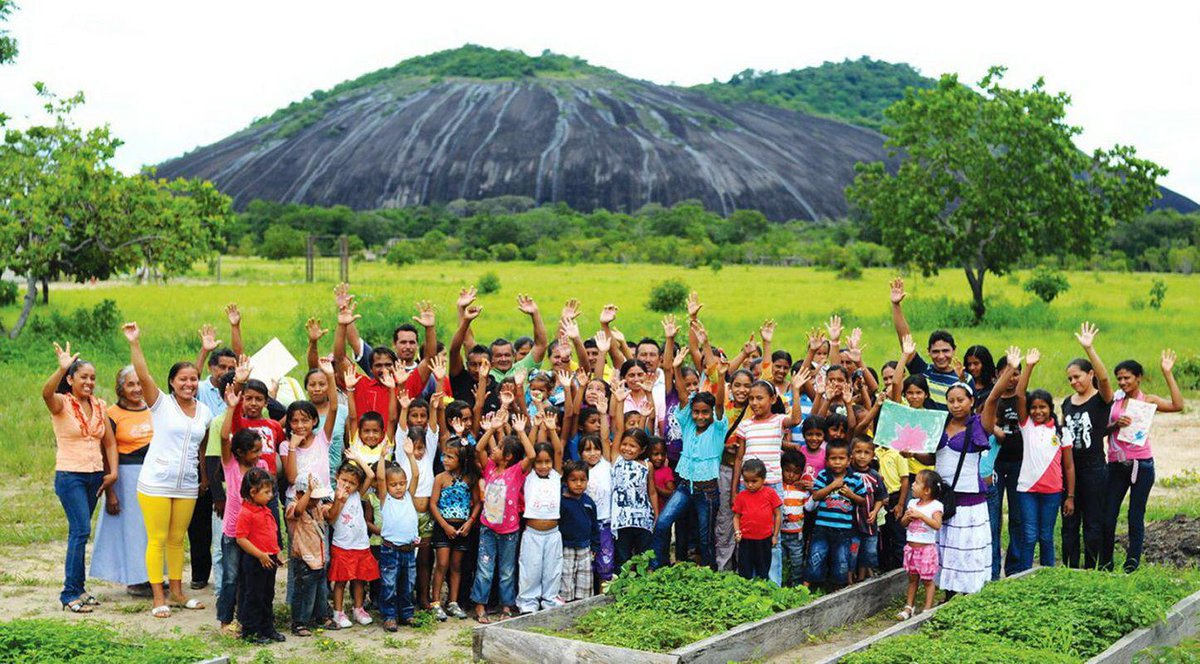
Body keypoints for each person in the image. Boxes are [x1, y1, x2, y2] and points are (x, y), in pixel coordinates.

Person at [124, 322, 213, 618]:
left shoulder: (205, 411)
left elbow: (201, 447)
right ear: (172, 382)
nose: (188, 384)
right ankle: (158, 597)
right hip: (156, 482)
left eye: (193, 380)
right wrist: (135, 343)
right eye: (182, 380)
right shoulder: (160, 404)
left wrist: (202, 476)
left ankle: (177, 592)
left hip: (186, 484)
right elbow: (144, 374)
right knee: (158, 539)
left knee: (177, 540)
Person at [910, 357, 1009, 597]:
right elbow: (933, 459)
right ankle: (949, 592)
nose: (955, 405)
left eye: (960, 400)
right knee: (946, 549)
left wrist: (1012, 370)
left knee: (966, 549)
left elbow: (994, 398)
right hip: (943, 499)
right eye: (951, 401)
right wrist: (912, 452)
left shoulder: (979, 425)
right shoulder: (940, 425)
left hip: (969, 500)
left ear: (971, 401)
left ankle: (969, 593)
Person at [43, 342, 118, 613]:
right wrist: (60, 368)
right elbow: (46, 393)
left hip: (94, 476)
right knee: (80, 530)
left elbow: (109, 442)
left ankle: (80, 587)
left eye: (92, 378)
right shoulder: (62, 403)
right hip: (70, 474)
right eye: (83, 377)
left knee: (82, 532)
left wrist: (113, 472)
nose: (89, 382)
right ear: (71, 379)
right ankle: (69, 593)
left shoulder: (99, 405)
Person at [1101, 349, 1184, 572]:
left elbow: (1178, 405)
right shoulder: (1114, 400)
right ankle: (1106, 564)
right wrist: (1115, 425)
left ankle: (1131, 565)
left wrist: (1167, 373)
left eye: (1127, 378)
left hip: (1141, 465)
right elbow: (1102, 430)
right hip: (1116, 465)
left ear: (1139, 378)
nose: (1122, 382)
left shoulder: (1148, 400)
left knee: (1135, 517)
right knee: (1108, 516)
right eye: (1119, 378)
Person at [732, 369, 810, 586]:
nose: (754, 403)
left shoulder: (777, 421)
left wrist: (795, 388)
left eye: (760, 398)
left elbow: (795, 419)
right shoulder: (745, 425)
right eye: (751, 399)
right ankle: (750, 582)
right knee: (748, 536)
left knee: (772, 539)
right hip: (746, 488)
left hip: (772, 486)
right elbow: (739, 459)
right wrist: (734, 490)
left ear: (773, 399)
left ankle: (772, 585)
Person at [90, 365, 153, 598]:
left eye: (139, 383)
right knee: (133, 530)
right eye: (130, 384)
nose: (136, 389)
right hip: (126, 476)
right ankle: (135, 580)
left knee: (151, 529)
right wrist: (111, 493)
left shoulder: (153, 408)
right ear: (121, 388)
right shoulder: (112, 414)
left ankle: (152, 576)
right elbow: (107, 452)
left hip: (152, 475)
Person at [1010, 348, 1075, 573]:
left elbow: (1069, 466)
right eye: (1034, 407)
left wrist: (1070, 496)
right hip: (1027, 490)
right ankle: (1024, 577)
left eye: (1042, 407)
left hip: (1053, 492)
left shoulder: (1061, 432)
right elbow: (1019, 395)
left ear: (1050, 408)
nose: (1038, 411)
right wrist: (1028, 366)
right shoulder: (1026, 426)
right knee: (1029, 536)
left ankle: (1048, 577)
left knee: (1046, 536)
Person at [472, 411, 535, 622]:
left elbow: (532, 456)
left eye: (499, 448)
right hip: (487, 528)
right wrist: (491, 428)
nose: (494, 449)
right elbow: (479, 447)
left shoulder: (517, 471)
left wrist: (520, 432)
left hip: (509, 531)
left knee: (507, 570)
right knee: (484, 567)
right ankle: (480, 606)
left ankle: (506, 606)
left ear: (508, 457)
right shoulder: (490, 468)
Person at [1061, 323, 1114, 569]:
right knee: (1070, 521)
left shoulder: (1101, 399)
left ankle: (1091, 569)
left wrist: (1089, 348)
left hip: (1094, 469)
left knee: (1093, 522)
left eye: (1077, 376)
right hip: (1069, 470)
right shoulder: (1066, 403)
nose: (1073, 382)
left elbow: (1105, 378)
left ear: (1089, 374)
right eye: (1070, 378)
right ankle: (1071, 569)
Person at [889, 278, 974, 410]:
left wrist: (961, 381)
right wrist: (896, 305)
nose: (941, 356)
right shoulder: (923, 371)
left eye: (945, 351)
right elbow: (905, 341)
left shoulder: (965, 378)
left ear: (954, 350)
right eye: (935, 351)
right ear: (928, 352)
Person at [216, 424, 270, 634]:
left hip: (253, 534)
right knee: (231, 577)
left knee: (249, 578)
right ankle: (225, 620)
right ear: (239, 452)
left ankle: (246, 619)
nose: (259, 454)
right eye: (254, 451)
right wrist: (230, 407)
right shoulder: (230, 465)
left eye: (260, 449)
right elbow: (223, 437)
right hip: (232, 532)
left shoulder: (261, 467)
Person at [517, 416, 565, 614]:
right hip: (532, 534)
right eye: (539, 462)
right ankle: (528, 603)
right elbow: (529, 454)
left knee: (553, 570)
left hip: (553, 533)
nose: (544, 465)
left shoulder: (556, 475)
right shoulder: (528, 476)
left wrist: (552, 429)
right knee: (530, 570)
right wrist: (527, 430)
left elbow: (559, 450)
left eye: (547, 461)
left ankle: (550, 600)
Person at [804, 440, 867, 590]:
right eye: (833, 458)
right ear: (827, 460)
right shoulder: (823, 476)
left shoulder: (855, 479)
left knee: (841, 560)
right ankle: (805, 588)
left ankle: (838, 589)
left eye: (841, 458)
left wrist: (851, 494)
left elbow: (863, 501)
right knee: (816, 556)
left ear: (849, 460)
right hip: (822, 527)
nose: (837, 462)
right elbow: (816, 495)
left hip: (844, 530)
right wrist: (832, 486)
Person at [429, 437, 480, 621]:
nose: (445, 460)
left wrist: (470, 522)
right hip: (444, 526)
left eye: (450, 457)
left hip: (462, 528)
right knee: (442, 564)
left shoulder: (469, 478)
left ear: (462, 459)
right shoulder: (440, 478)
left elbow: (477, 503)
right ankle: (435, 602)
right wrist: (445, 525)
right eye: (444, 455)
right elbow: (433, 504)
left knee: (457, 566)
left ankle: (453, 602)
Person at [326, 454, 379, 628]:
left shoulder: (357, 494)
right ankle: (338, 612)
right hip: (342, 545)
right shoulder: (333, 495)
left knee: (359, 579)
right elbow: (331, 518)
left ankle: (358, 608)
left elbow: (370, 476)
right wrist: (339, 501)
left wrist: (357, 457)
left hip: (360, 544)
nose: (348, 485)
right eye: (344, 480)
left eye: (352, 482)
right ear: (337, 478)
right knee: (340, 581)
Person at [375, 439, 422, 632]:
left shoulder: (409, 497)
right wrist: (382, 457)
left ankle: (407, 613)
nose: (399, 487)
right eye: (394, 484)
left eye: (402, 483)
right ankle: (389, 616)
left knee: (407, 584)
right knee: (389, 584)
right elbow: (379, 478)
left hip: (409, 550)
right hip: (390, 550)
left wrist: (410, 455)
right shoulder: (386, 499)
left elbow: (416, 475)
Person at [235, 467, 286, 645]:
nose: (270, 495)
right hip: (255, 561)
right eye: (266, 492)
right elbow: (241, 539)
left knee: (267, 594)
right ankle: (251, 630)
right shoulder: (246, 513)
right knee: (253, 595)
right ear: (253, 492)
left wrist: (275, 553)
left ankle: (267, 628)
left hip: (269, 558)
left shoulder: (265, 509)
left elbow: (271, 532)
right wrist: (260, 555)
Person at [285, 471, 332, 636]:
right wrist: (309, 493)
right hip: (303, 558)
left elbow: (331, 514)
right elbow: (297, 511)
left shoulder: (318, 507)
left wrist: (340, 500)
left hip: (319, 557)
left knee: (320, 590)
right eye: (312, 498)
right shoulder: (293, 506)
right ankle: (299, 622)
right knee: (304, 592)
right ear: (299, 493)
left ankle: (321, 616)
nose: (316, 501)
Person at [607, 427, 659, 568]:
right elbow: (617, 430)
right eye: (624, 444)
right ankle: (624, 587)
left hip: (643, 520)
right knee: (622, 557)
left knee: (643, 557)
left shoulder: (647, 466)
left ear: (642, 450)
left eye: (633, 446)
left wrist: (656, 514)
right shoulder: (616, 460)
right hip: (621, 521)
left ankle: (642, 586)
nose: (627, 449)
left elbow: (652, 491)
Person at [897, 469, 944, 620]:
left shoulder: (935, 506)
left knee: (928, 580)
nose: (912, 485)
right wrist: (908, 518)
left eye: (917, 482)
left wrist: (921, 516)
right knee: (912, 578)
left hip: (926, 550)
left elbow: (937, 525)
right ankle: (909, 606)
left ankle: (927, 609)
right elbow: (903, 523)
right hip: (911, 549)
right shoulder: (912, 503)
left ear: (927, 490)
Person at [733, 459, 783, 580]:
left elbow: (777, 515)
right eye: (746, 481)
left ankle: (763, 593)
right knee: (745, 570)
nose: (750, 485)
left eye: (754, 481)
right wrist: (737, 531)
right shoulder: (741, 497)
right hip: (746, 540)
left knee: (763, 569)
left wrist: (775, 535)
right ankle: (747, 592)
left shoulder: (770, 493)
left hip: (764, 539)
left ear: (763, 479)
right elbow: (736, 516)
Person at [560, 460, 600, 602]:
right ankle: (566, 603)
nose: (578, 484)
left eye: (582, 480)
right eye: (574, 480)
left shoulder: (589, 502)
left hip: (585, 547)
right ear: (566, 481)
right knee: (566, 575)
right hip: (566, 546)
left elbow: (595, 526)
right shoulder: (562, 502)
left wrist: (595, 545)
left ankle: (581, 604)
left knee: (584, 576)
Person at [850, 437, 888, 582]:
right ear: (851, 453)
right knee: (852, 552)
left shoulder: (875, 476)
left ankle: (863, 578)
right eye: (858, 451)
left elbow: (881, 497)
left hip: (869, 522)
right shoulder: (848, 473)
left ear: (872, 455)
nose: (862, 456)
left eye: (866, 452)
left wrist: (875, 511)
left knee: (869, 550)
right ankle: (850, 580)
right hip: (851, 522)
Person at [778, 452, 811, 586]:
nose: (791, 475)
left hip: (796, 534)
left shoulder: (802, 490)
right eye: (787, 471)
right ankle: (781, 584)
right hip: (780, 533)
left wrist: (814, 492)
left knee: (797, 562)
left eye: (796, 472)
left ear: (801, 472)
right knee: (781, 560)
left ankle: (796, 587)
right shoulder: (778, 487)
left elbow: (809, 507)